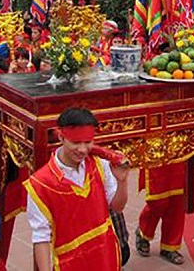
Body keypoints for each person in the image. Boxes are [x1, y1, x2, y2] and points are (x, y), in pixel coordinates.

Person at [25, 108, 129, 270]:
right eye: (75, 142)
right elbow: (41, 237)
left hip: (105, 256)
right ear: (61, 137)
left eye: (88, 142)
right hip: (70, 262)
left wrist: (122, 182)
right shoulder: (40, 184)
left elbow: (117, 207)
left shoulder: (99, 165)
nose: (82, 150)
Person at [136, 160, 189, 265]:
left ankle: (169, 246)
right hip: (156, 155)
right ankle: (144, 232)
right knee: (157, 202)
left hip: (179, 156)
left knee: (177, 201)